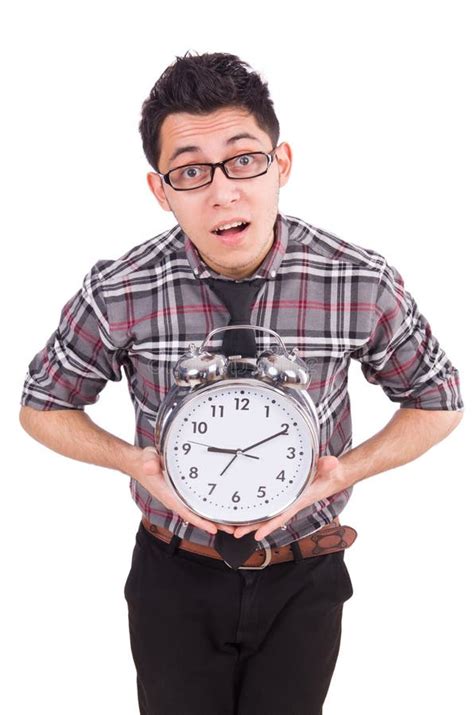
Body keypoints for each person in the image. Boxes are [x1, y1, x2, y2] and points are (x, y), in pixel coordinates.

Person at [19, 51, 464, 715]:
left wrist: (345, 472)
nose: (223, 191)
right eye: (191, 171)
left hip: (305, 574)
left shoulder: (357, 281)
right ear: (160, 188)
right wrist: (133, 461)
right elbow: (42, 404)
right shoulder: (120, 289)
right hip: (173, 575)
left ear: (280, 164)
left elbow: (439, 397)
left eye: (244, 158)